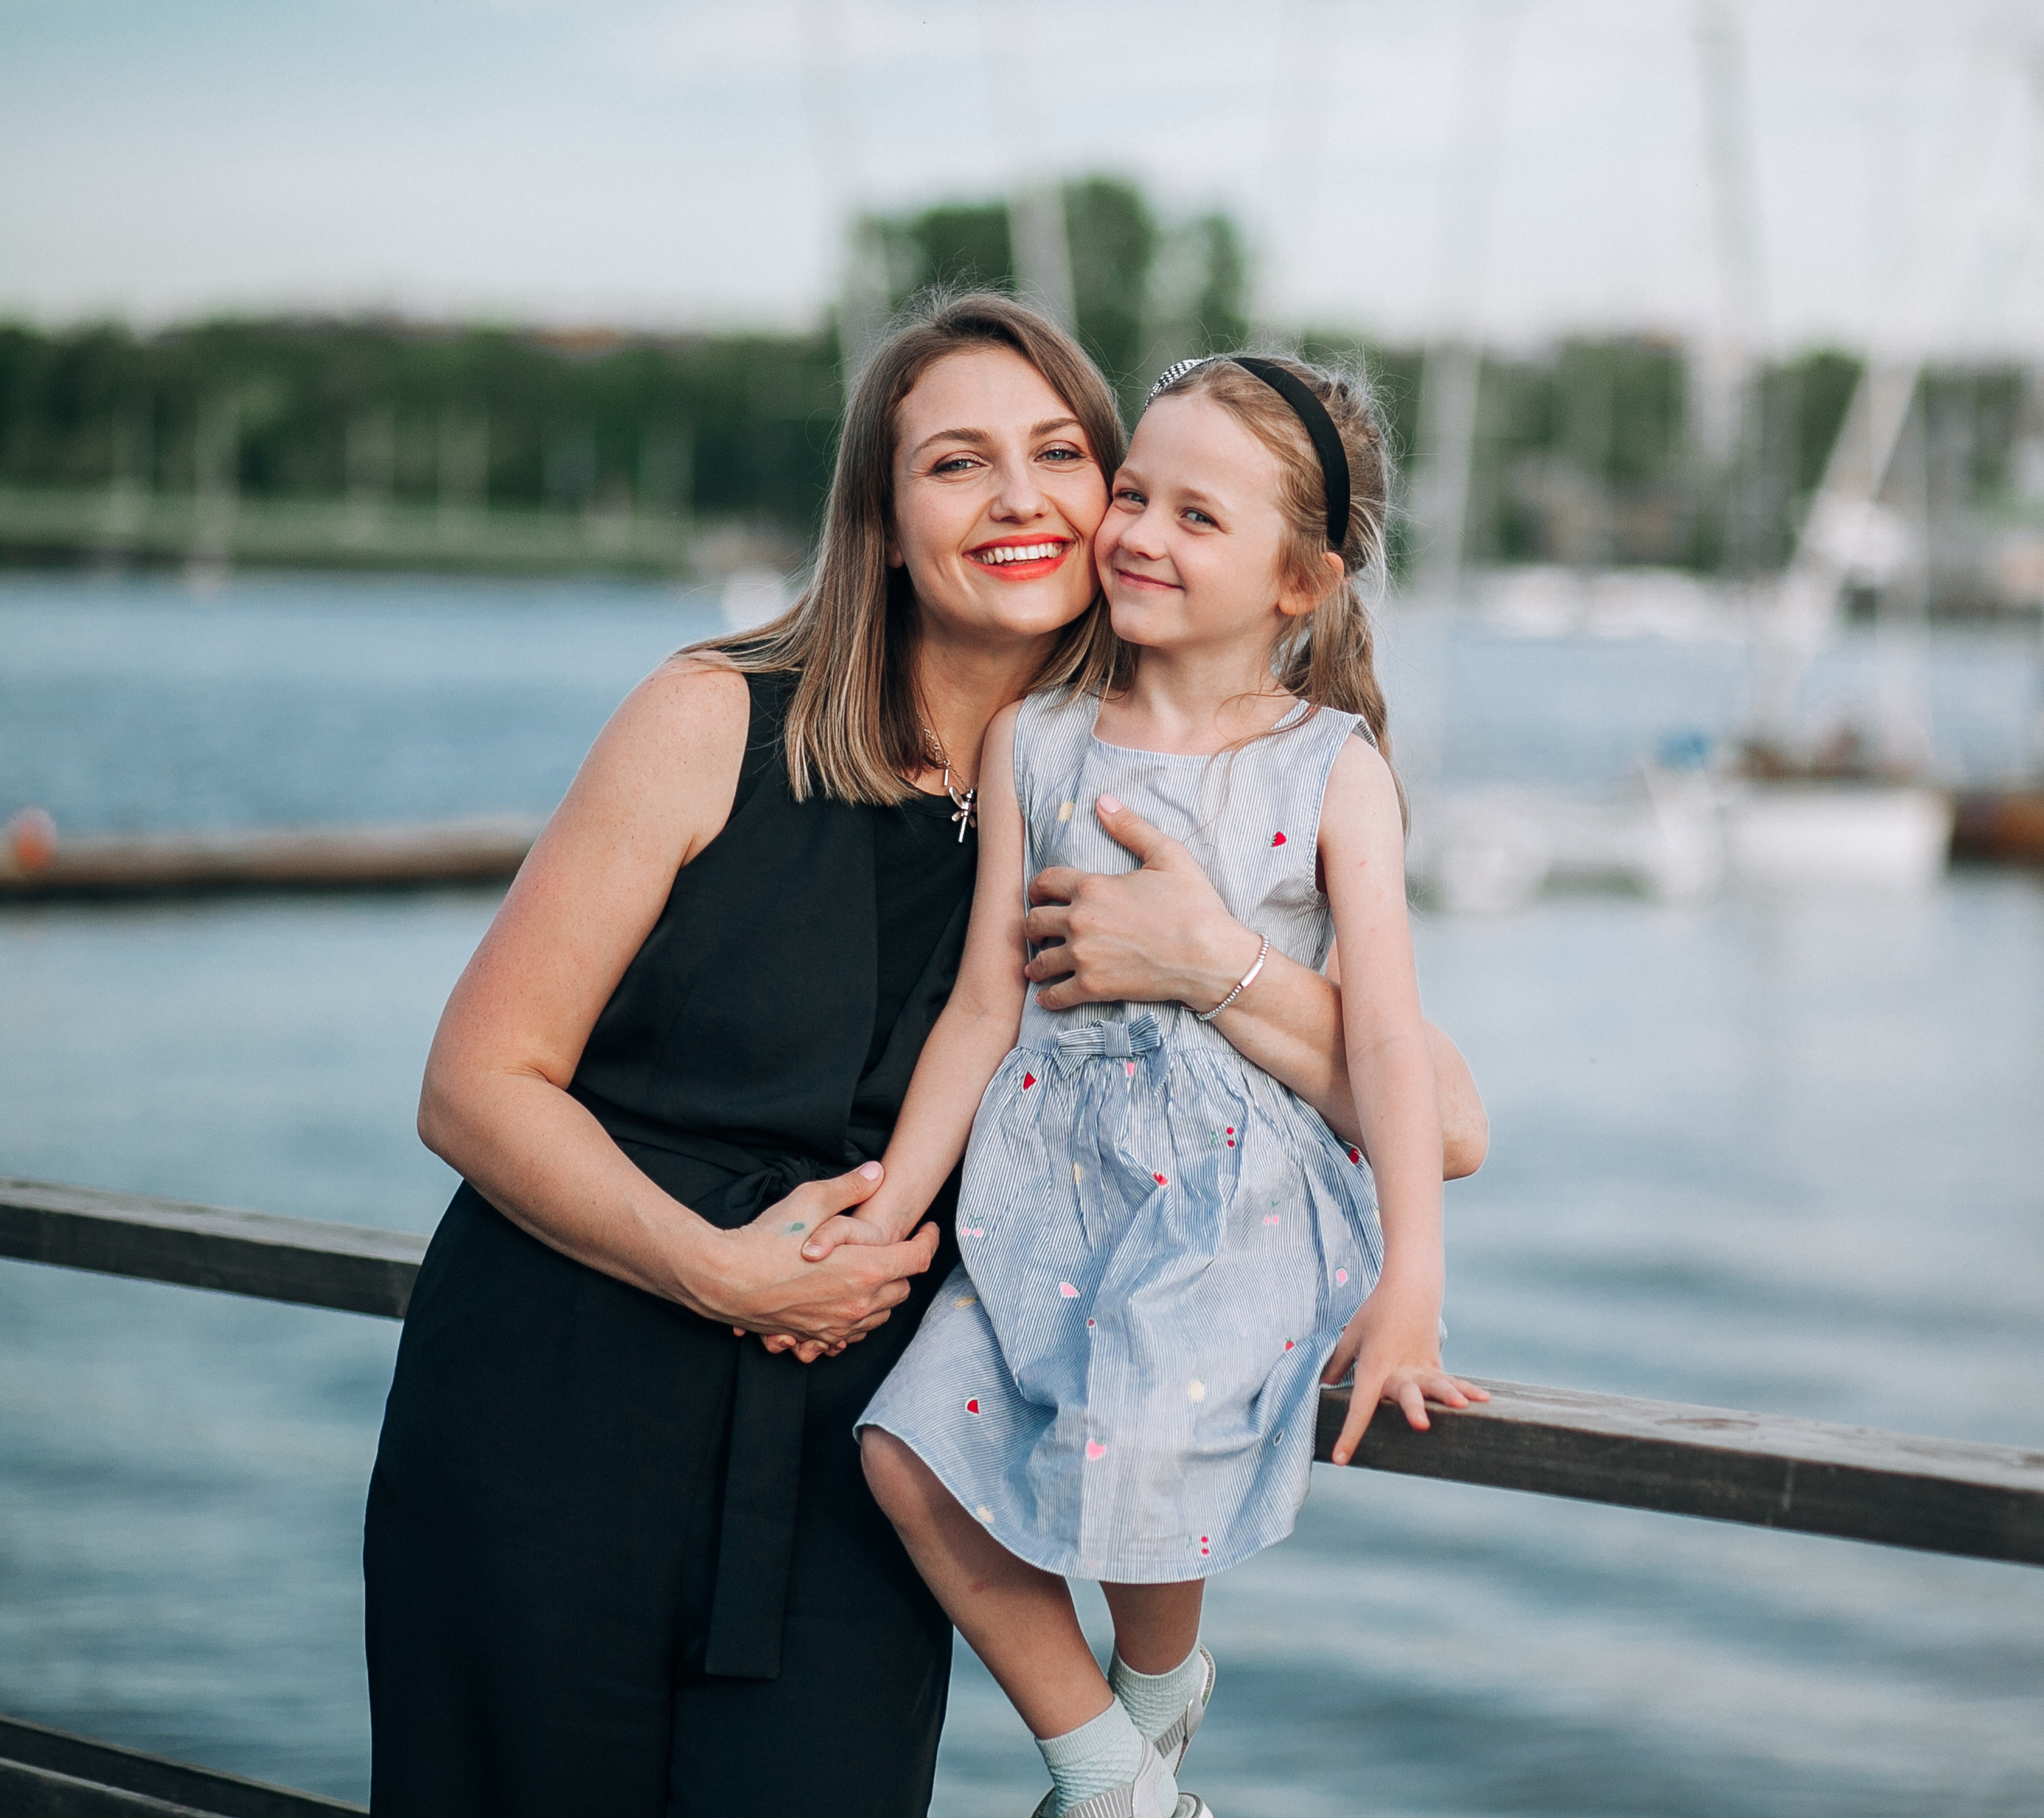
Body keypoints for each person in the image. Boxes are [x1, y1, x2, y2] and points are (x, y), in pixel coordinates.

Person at [362, 295, 1486, 1818]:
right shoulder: (715, 721)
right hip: (565, 1416)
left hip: (857, 1462)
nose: (1024, 498)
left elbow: (1450, 1118)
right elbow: (472, 1084)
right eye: (957, 463)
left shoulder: (1141, 781)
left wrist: (1204, 962)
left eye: (1061, 454)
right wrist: (719, 1266)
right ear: (884, 522)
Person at [846, 352, 1487, 1818]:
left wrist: (1412, 1284)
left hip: (1231, 1203)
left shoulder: (1335, 769)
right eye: (1133, 493)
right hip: (1043, 1184)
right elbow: (978, 1010)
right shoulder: (1041, 737)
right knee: (903, 1453)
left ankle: (1147, 1701)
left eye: (1198, 516)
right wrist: (895, 1204)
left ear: (1299, 580)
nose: (1134, 532)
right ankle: (1121, 1777)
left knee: (1143, 1460)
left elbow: (1386, 1040)